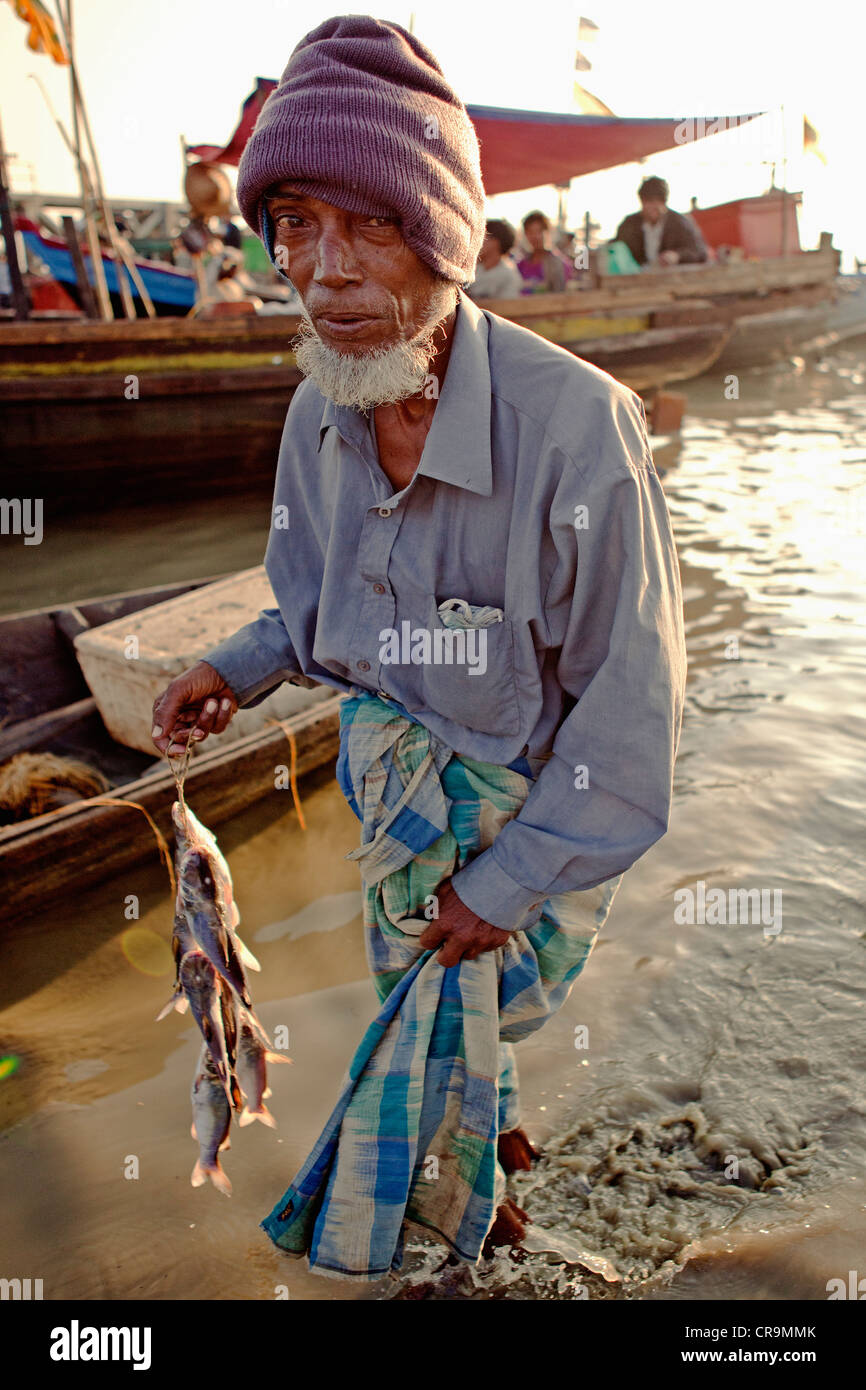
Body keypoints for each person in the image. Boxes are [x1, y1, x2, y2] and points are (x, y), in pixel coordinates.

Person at [151, 14, 686, 1282]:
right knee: (444, 1057)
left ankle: (469, 1219)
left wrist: (496, 891)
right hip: (394, 806)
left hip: (536, 832)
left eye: (369, 227)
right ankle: (484, 1186)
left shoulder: (579, 434)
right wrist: (232, 667)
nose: (324, 271)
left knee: (457, 1030)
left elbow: (631, 729)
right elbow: (313, 607)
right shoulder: (316, 408)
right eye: (294, 226)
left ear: (443, 238)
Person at [614, 175, 708, 268]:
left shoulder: (680, 223)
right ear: (642, 202)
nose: (654, 207)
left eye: (659, 202)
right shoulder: (629, 225)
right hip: (637, 278)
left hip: (673, 278)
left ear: (665, 202)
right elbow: (615, 248)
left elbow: (700, 252)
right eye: (649, 201)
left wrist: (678, 256)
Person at [517, 210, 574, 292]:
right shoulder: (521, 265)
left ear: (547, 232)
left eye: (539, 231)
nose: (535, 236)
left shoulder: (558, 264)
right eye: (530, 232)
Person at [467, 219, 523, 299]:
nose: (477, 242)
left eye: (483, 237)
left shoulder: (508, 275)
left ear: (496, 242)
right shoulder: (473, 271)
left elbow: (508, 307)